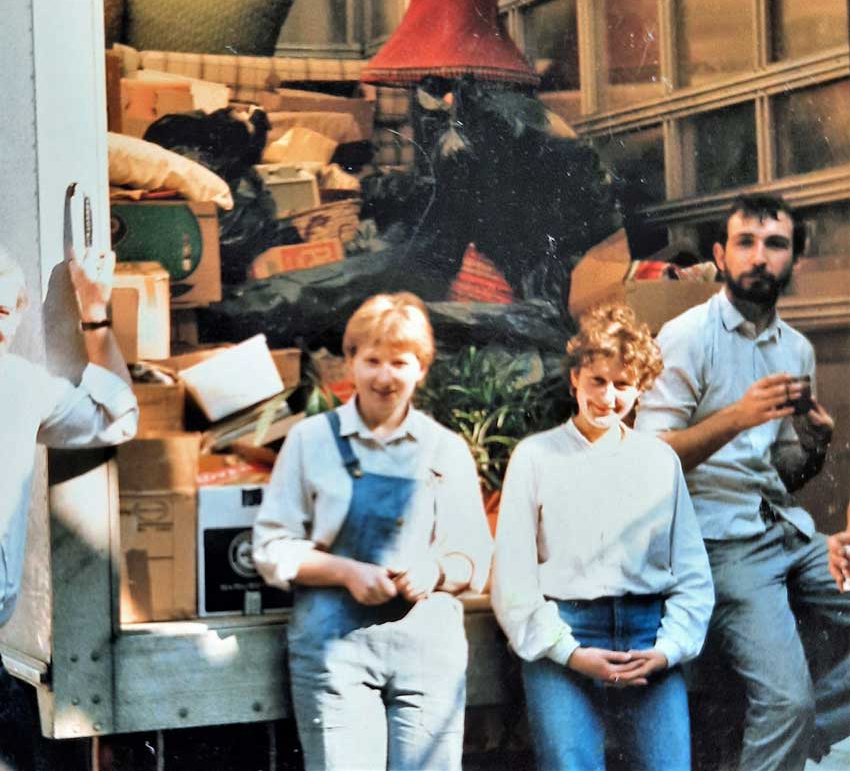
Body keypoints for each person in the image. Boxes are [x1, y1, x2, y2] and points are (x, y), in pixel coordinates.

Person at [635, 194, 850, 771]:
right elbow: (645, 461)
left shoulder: (795, 349)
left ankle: (802, 732)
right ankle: (793, 725)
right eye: (745, 243)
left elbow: (782, 474)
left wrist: (814, 445)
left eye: (775, 244)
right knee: (785, 704)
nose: (759, 257)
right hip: (721, 543)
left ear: (794, 260)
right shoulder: (686, 337)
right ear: (719, 256)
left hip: (789, 534)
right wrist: (736, 416)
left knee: (794, 713)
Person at [253, 292, 492, 771]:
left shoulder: (444, 449)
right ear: (350, 362)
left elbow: (475, 557)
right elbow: (271, 546)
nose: (385, 377)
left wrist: (434, 570)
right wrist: (345, 572)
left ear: (421, 369)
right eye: (373, 361)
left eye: (400, 363)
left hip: (427, 650)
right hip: (335, 650)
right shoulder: (309, 440)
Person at [491, 303, 713, 771]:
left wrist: (667, 650)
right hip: (565, 638)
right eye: (597, 380)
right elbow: (512, 578)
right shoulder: (536, 458)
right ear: (575, 377)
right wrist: (569, 653)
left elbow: (693, 575)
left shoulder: (659, 462)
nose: (608, 397)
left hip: (647, 639)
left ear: (641, 388)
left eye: (623, 384)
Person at [2, 242, 138, 625]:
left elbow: (118, 418)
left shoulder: (19, 385)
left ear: (17, 318)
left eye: (2, 312)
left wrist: (93, 313)